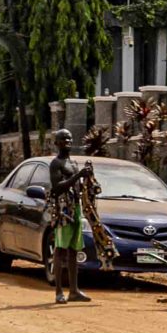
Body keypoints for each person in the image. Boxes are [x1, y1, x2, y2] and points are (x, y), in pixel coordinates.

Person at [44, 128, 102, 305]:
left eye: (69, 138)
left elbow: (79, 186)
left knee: (73, 251)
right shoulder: (56, 163)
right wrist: (78, 175)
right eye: (63, 139)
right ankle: (59, 291)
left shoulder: (74, 162)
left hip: (75, 208)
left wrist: (87, 176)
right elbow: (57, 187)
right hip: (63, 211)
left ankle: (74, 290)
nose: (67, 141)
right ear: (57, 143)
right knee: (60, 249)